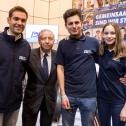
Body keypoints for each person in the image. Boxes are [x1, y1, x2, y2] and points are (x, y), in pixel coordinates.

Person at [55, 8, 99, 126]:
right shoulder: (63, 44)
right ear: (66, 25)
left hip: (89, 96)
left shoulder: (94, 42)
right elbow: (60, 68)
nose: (74, 26)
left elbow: (105, 64)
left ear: (82, 23)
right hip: (69, 96)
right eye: (70, 23)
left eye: (76, 22)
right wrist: (63, 94)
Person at [0, 6, 30, 126]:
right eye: (16, 19)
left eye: (23, 20)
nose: (19, 23)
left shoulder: (26, 46)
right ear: (8, 20)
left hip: (14, 104)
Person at [22, 29, 58, 126]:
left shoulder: (59, 56)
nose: (47, 41)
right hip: (31, 99)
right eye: (44, 38)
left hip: (50, 100)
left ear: (53, 41)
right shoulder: (29, 54)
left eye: (50, 38)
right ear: (39, 40)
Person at [97, 22, 126, 126]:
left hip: (119, 100)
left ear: (117, 34)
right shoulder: (101, 51)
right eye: (106, 33)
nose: (109, 36)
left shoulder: (124, 53)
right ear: (102, 35)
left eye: (112, 33)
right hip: (102, 99)